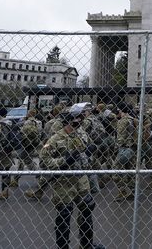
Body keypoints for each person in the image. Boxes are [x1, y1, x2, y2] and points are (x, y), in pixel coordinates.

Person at [40, 107, 99, 249]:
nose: (78, 121)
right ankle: (63, 246)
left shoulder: (82, 134)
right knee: (64, 214)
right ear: (67, 122)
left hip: (82, 179)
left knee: (86, 210)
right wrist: (64, 160)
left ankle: (86, 244)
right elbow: (43, 162)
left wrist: (91, 151)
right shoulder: (55, 139)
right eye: (75, 120)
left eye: (80, 119)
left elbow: (88, 152)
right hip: (64, 182)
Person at [12, 109, 44, 188]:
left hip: (26, 144)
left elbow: (19, 130)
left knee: (27, 161)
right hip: (34, 143)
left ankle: (39, 176)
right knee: (22, 159)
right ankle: (15, 179)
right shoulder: (38, 122)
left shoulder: (26, 122)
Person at [113, 103, 137, 201]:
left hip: (124, 148)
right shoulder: (133, 119)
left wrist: (115, 149)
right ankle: (133, 191)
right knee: (130, 170)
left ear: (120, 111)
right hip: (132, 148)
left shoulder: (122, 121)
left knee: (115, 170)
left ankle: (122, 190)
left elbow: (121, 138)